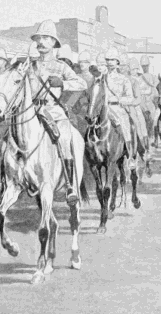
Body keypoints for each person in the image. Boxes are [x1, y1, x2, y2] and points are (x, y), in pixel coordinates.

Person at [26, 20, 87, 203]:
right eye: (38, 38)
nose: (41, 42)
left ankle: (70, 185)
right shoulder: (30, 66)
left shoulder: (62, 67)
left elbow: (81, 84)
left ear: (53, 43)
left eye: (45, 38)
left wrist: (63, 83)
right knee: (10, 140)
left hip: (53, 111)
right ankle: (7, 182)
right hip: (31, 112)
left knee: (65, 139)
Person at [91, 47, 139, 170]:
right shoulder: (101, 77)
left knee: (126, 128)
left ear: (117, 62)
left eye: (113, 60)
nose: (110, 62)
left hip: (118, 109)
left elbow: (131, 98)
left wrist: (119, 100)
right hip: (103, 109)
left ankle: (130, 157)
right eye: (108, 59)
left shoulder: (124, 79)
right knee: (90, 125)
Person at [128, 57, 152, 162]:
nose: (134, 71)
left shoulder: (141, 79)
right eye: (132, 69)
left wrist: (140, 93)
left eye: (135, 69)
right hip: (126, 104)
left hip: (138, 104)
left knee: (142, 124)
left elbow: (149, 89)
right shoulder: (126, 79)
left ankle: (146, 149)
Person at [136, 55, 158, 146]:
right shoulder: (139, 78)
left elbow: (156, 90)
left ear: (148, 66)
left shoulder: (153, 77)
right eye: (143, 66)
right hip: (141, 101)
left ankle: (154, 137)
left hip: (151, 101)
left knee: (155, 118)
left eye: (146, 66)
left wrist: (153, 98)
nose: (145, 67)